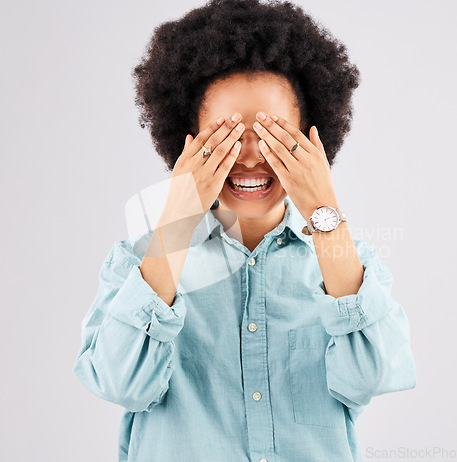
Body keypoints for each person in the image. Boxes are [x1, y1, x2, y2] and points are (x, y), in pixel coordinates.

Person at [72, 0, 417, 461]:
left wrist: (324, 210)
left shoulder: (347, 265)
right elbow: (119, 383)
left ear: (312, 140)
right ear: (188, 141)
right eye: (227, 136)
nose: (250, 157)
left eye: (273, 135)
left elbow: (373, 377)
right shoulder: (139, 262)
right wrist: (178, 218)